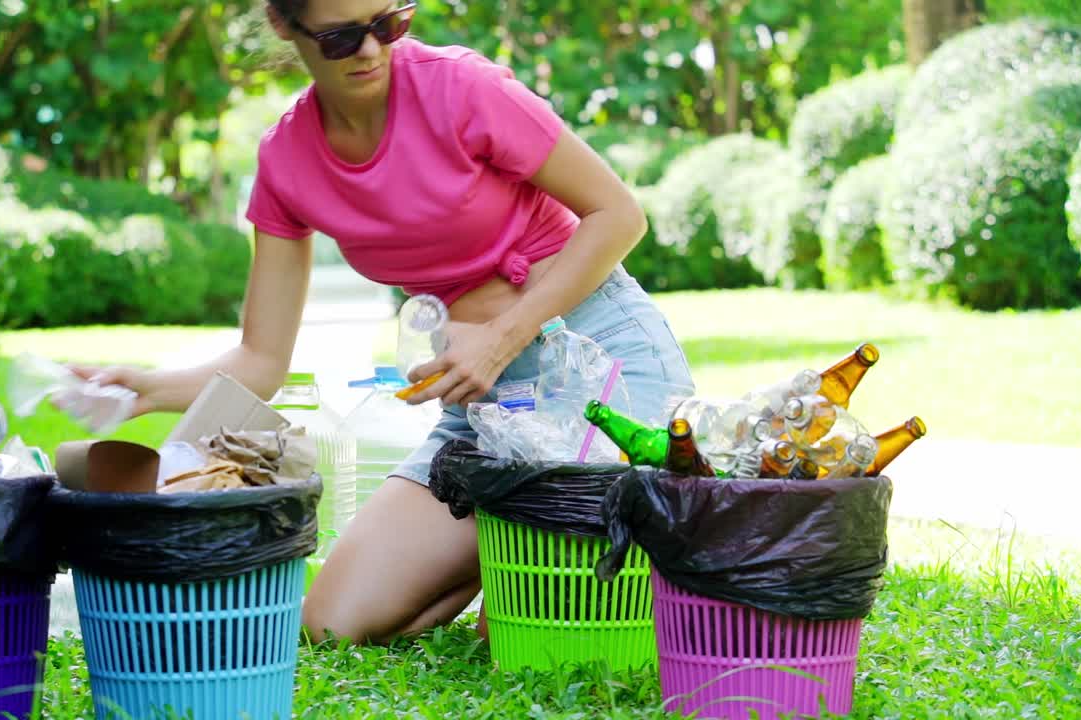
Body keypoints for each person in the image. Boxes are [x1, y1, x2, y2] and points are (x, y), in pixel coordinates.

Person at [75, 0, 695, 645]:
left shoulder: (463, 89)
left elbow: (620, 216)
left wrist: (501, 338)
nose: (371, 51)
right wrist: (144, 391)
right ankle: (511, 531)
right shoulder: (288, 160)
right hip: (480, 409)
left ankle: (542, 542)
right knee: (331, 625)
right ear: (287, 27)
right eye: (341, 37)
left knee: (531, 629)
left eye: (387, 24)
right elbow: (262, 360)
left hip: (601, 372)